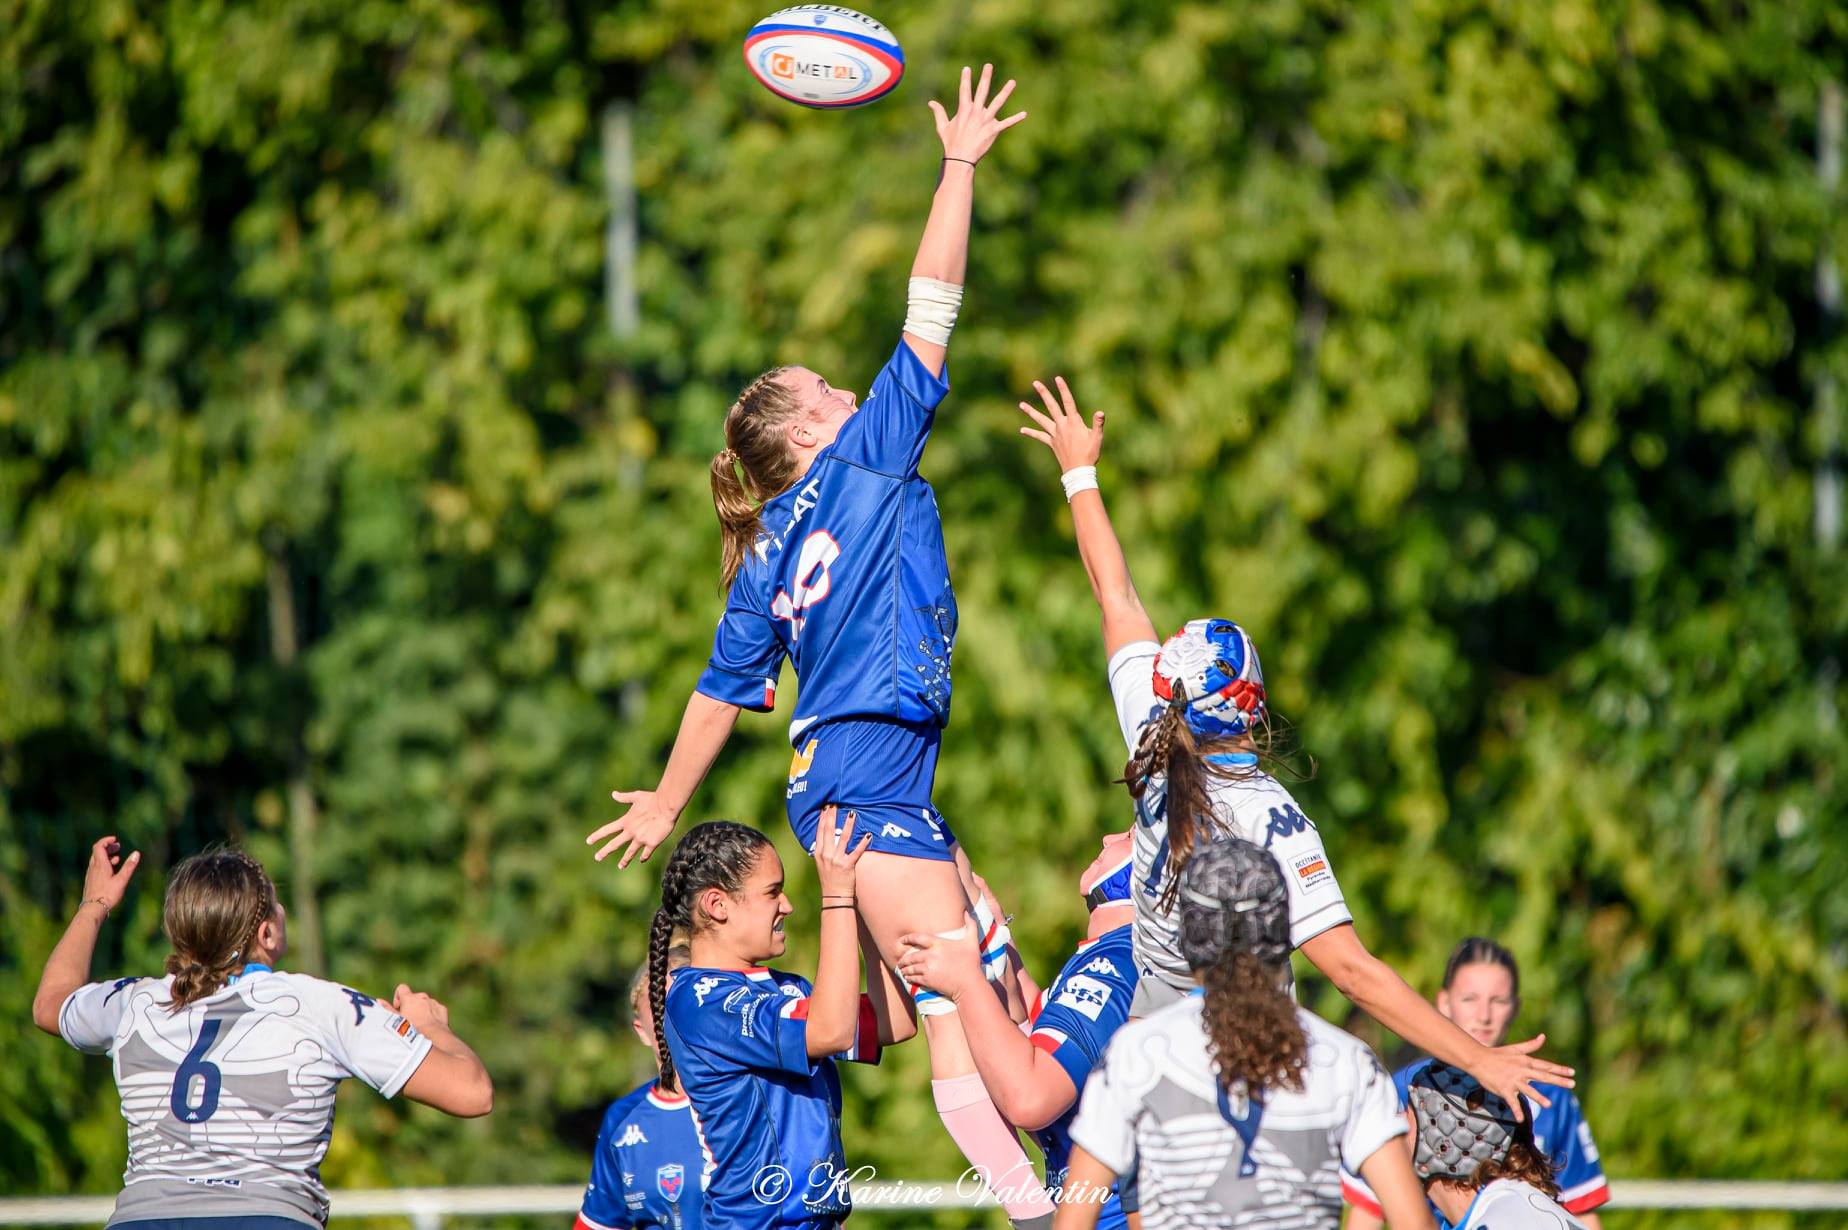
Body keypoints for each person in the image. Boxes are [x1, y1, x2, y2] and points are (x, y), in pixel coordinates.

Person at [587, 63, 1055, 1226]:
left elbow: (716, 692)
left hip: (863, 774)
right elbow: (932, 305)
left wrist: (665, 795)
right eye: (828, 385)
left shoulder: (759, 553)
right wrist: (958, 165)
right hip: (861, 779)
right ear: (805, 427)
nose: (850, 386)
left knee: (974, 967)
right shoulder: (861, 460)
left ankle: (1051, 1195)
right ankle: (1050, 1208)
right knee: (969, 1012)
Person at [1014, 376, 1573, 1117]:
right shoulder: (1268, 815)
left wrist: (1077, 471)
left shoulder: (1153, 742)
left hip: (1145, 1078)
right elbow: (1350, 971)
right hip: (1239, 1087)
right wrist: (1479, 1060)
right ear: (1254, 705)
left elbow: (1113, 595)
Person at [31, 837, 493, 1230]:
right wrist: (432, 1028)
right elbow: (472, 1093)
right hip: (268, 1216)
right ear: (267, 934)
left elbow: (51, 1004)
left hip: (142, 1219)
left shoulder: (136, 1004)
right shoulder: (317, 1005)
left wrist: (95, 904)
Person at [1049, 836, 1435, 1230]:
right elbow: (1411, 1220)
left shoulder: (1134, 1054)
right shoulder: (1347, 1060)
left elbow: (1074, 1221)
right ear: (1282, 931)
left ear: (1186, 938)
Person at [651, 809, 915, 1229]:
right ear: (717, 905)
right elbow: (830, 1031)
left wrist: (862, 903)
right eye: (773, 892)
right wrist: (837, 898)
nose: (787, 906)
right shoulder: (697, 1000)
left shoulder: (787, 988)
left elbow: (895, 1022)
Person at [898, 833, 1140, 1229]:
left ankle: (1032, 1216)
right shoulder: (1113, 953)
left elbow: (1030, 1098)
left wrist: (965, 983)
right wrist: (993, 933)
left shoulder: (1118, 961)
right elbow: (1036, 1033)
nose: (1108, 836)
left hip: (1106, 1218)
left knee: (944, 1019)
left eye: (1129, 836)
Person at [1341, 938, 1610, 1228]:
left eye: (1498, 1001)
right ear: (1443, 1002)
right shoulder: (1411, 1088)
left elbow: (1580, 1212)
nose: (1484, 1016)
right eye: (1470, 999)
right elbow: (1369, 1210)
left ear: (1516, 1007)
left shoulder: (1549, 1095)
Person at [577, 944, 710, 1230]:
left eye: (684, 1000)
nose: (674, 1017)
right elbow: (599, 1223)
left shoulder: (752, 1096)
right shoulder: (624, 1119)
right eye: (660, 1006)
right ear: (642, 1031)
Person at [1399, 1062, 1591, 1230]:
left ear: (1445, 1145)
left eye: (1407, 1112)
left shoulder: (1508, 1220)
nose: (1396, 1122)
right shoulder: (1499, 1211)